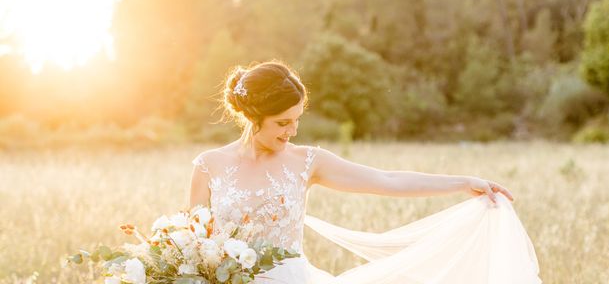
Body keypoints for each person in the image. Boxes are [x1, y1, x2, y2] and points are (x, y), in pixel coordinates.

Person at [189, 60, 542, 283]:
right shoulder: (209, 166)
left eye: (297, 121)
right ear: (253, 117)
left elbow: (385, 179)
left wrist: (464, 183)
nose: (292, 131)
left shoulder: (308, 162)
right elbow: (190, 244)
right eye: (282, 122)